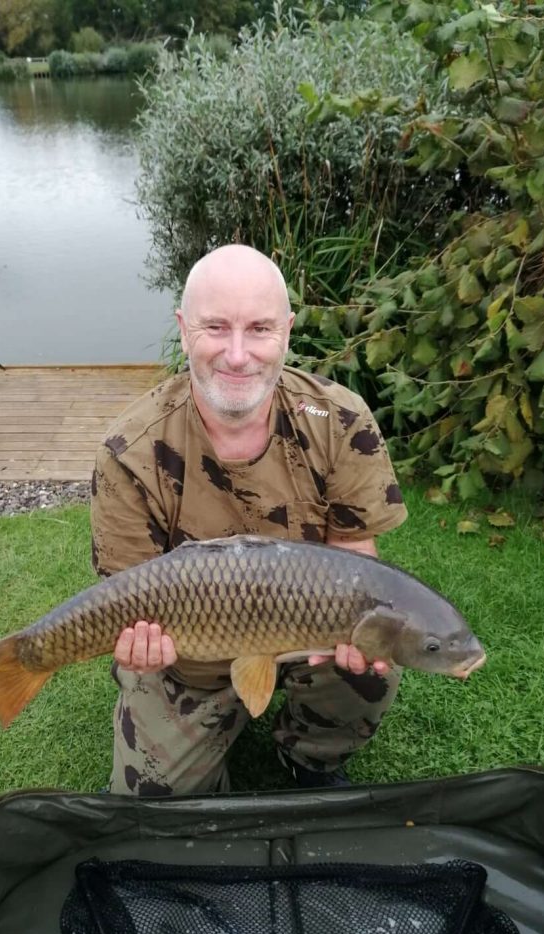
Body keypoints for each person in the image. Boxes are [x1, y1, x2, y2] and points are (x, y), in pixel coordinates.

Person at [90, 244, 408, 796]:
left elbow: (356, 562)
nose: (238, 356)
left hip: (306, 634)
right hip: (188, 656)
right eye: (216, 327)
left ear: (286, 330)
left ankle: (310, 755)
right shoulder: (129, 450)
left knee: (374, 655)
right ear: (184, 328)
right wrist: (135, 646)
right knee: (151, 800)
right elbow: (123, 600)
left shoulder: (340, 420)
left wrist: (358, 631)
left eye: (259, 328)